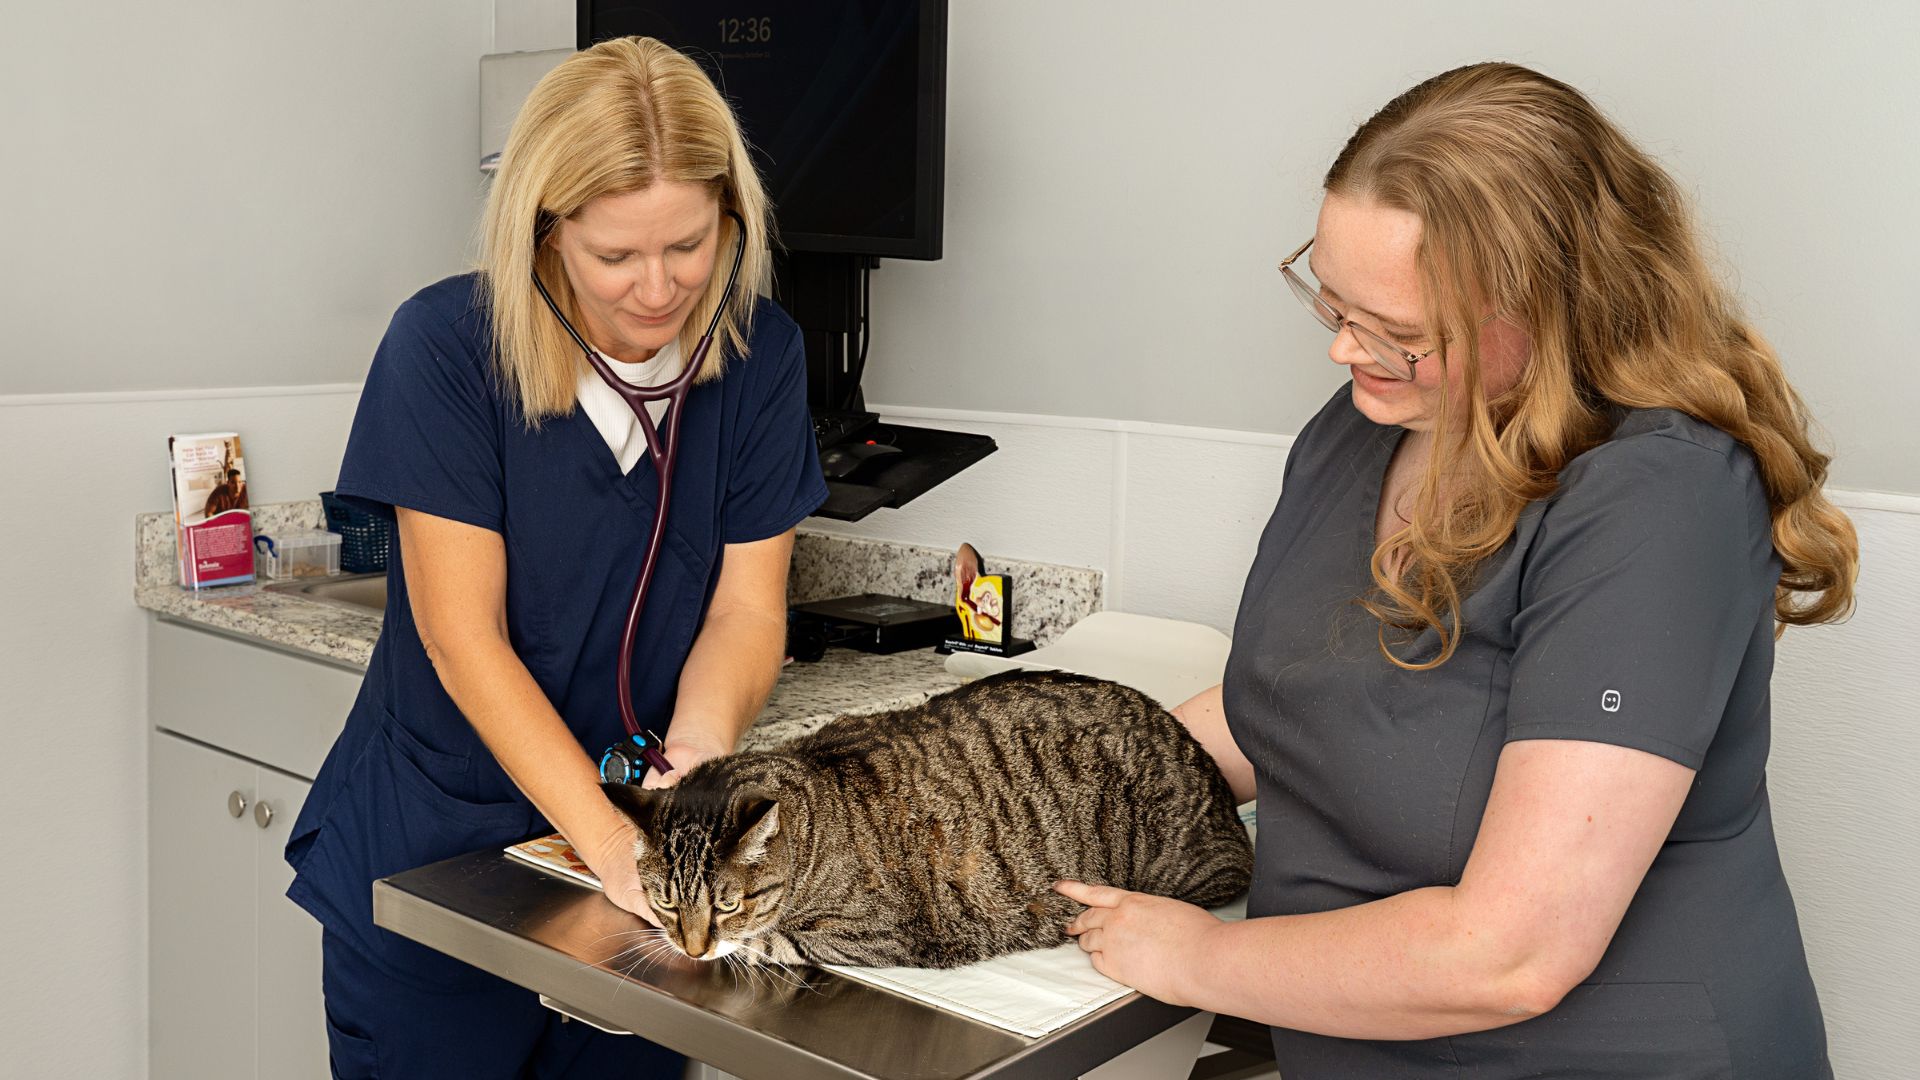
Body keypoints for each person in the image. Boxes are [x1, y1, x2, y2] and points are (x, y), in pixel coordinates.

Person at [1057, 62, 1856, 1079]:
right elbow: (1302, 695)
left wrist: (1202, 955)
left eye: (1400, 335)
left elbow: (1512, 954)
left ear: (1560, 307)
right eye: (1332, 302)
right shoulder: (1361, 431)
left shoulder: (1660, 500)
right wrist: (1059, 772)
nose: (1348, 350)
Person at [284, 37, 826, 1079]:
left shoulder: (762, 356)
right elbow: (460, 636)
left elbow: (746, 612)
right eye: (615, 256)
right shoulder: (446, 349)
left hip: (632, 892)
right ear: (545, 230)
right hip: (441, 857)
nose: (659, 289)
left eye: (690, 245)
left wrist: (696, 768)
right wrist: (619, 847)